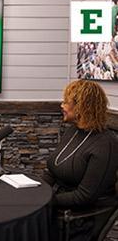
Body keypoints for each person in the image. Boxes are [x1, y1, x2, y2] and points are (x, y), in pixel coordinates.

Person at [43, 80, 118, 241]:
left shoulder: (106, 144)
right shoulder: (73, 130)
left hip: (78, 220)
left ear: (82, 107)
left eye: (66, 102)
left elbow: (85, 196)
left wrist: (46, 200)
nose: (61, 106)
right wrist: (37, 189)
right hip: (57, 205)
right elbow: (53, 169)